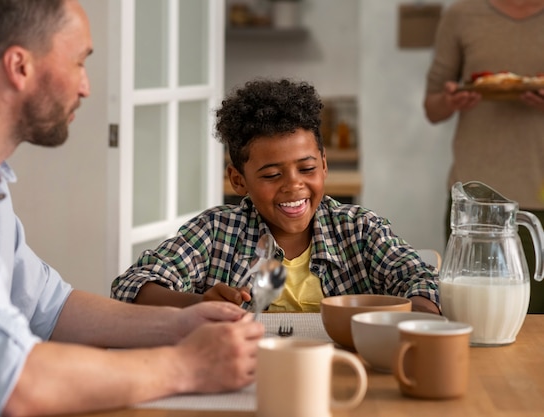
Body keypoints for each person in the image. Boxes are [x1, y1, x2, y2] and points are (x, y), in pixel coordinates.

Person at [0, 1, 265, 416]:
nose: (86, 87)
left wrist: (181, 323)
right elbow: (9, 381)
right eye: (79, 62)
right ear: (19, 66)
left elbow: (50, 305)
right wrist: (187, 365)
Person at [111, 78, 441, 315]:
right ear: (238, 180)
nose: (293, 186)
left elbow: (421, 278)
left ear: (324, 165)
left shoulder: (360, 230)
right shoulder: (215, 232)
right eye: (271, 175)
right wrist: (198, 304)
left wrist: (417, 318)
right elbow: (131, 285)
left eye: (307, 169)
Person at [423, 0, 544, 313]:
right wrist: (452, 100)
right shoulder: (462, 15)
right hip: (477, 203)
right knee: (475, 318)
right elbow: (432, 107)